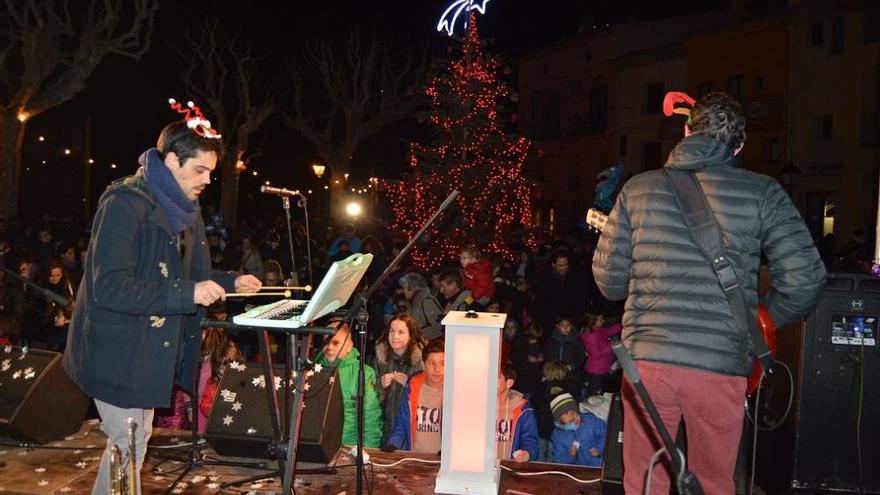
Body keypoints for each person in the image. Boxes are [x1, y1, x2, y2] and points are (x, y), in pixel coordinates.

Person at [592, 92, 826, 494]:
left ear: (686, 131)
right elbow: (805, 279)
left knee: (646, 482)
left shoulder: (638, 189)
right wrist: (762, 320)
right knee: (714, 483)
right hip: (720, 364)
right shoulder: (764, 192)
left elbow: (610, 284)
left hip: (648, 362)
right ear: (738, 145)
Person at [62, 118, 263, 495]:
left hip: (149, 351)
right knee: (128, 444)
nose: (206, 180)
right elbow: (110, 287)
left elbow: (193, 273)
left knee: (133, 444)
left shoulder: (186, 209)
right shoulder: (124, 202)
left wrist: (230, 281)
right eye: (200, 169)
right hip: (116, 350)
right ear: (172, 160)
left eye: (210, 172)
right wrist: (186, 294)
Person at [314, 320, 383, 448]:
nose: (329, 347)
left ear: (349, 345)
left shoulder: (363, 373)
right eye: (326, 342)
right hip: (317, 446)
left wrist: (370, 449)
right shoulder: (312, 371)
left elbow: (371, 417)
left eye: (335, 343)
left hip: (349, 446)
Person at [382, 339, 445, 454]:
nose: (437, 369)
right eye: (432, 363)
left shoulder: (454, 392)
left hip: (443, 460)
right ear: (423, 364)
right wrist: (393, 443)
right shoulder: (412, 386)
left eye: (443, 363)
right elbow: (401, 423)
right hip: (415, 456)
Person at [372, 312, 425, 445]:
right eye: (392, 331)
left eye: (401, 332)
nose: (395, 336)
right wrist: (381, 386)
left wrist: (411, 385)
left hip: (411, 429)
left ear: (411, 335)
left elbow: (427, 397)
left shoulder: (421, 361)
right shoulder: (380, 359)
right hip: (385, 427)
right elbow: (371, 399)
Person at [496, 362, 539, 462]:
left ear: (509, 383)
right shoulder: (481, 406)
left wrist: (527, 453)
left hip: (508, 468)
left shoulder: (523, 410)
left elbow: (530, 440)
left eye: (496, 377)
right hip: (483, 469)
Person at [549, 393, 606, 467]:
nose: (571, 414)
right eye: (566, 413)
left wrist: (599, 449)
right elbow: (558, 460)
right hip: (578, 471)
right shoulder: (558, 436)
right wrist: (570, 455)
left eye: (573, 410)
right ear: (558, 418)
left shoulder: (590, 421)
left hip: (599, 465)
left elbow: (606, 435)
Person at [581, 305, 622, 397]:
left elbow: (608, 331)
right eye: (600, 320)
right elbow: (596, 354)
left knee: (602, 393)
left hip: (603, 368)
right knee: (595, 395)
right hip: (596, 372)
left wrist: (622, 325)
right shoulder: (591, 336)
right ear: (592, 322)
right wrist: (611, 345)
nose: (603, 321)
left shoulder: (597, 330)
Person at [543, 313, 586, 385]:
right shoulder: (551, 340)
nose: (565, 327)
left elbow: (582, 358)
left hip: (570, 375)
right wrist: (546, 373)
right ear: (557, 326)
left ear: (572, 326)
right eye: (562, 325)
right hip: (554, 374)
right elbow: (547, 357)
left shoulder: (576, 341)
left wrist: (572, 366)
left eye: (568, 325)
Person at [398, 272, 443, 340]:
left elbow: (438, 326)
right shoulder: (412, 303)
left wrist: (416, 337)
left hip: (431, 345)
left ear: (415, 289)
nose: (404, 291)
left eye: (407, 288)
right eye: (404, 288)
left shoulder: (427, 302)